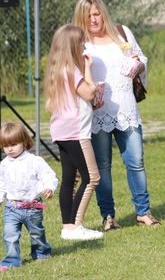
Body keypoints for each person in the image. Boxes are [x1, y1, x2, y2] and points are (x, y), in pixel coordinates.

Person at [72, 0, 159, 230]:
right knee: (102, 166)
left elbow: (140, 57)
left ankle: (143, 211)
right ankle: (108, 215)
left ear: (104, 13)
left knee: (136, 161)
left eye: (97, 13)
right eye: (88, 15)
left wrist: (138, 63)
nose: (94, 19)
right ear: (82, 17)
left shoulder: (122, 33)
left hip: (126, 109)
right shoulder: (80, 41)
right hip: (97, 112)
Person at [45, 24, 103, 240]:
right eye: (81, 42)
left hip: (61, 131)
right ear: (72, 45)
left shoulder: (57, 68)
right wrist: (89, 68)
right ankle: (76, 226)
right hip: (76, 131)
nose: (84, 45)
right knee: (92, 177)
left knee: (69, 178)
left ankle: (67, 227)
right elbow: (88, 93)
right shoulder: (72, 69)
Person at [0, 123, 58, 270]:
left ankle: (41, 253)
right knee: (10, 234)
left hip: (33, 207)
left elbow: (48, 176)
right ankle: (12, 260)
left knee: (37, 233)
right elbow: (2, 185)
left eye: (14, 144)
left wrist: (49, 188)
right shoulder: (4, 165)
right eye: (5, 145)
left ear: (24, 142)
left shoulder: (34, 161)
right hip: (12, 207)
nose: (10, 149)